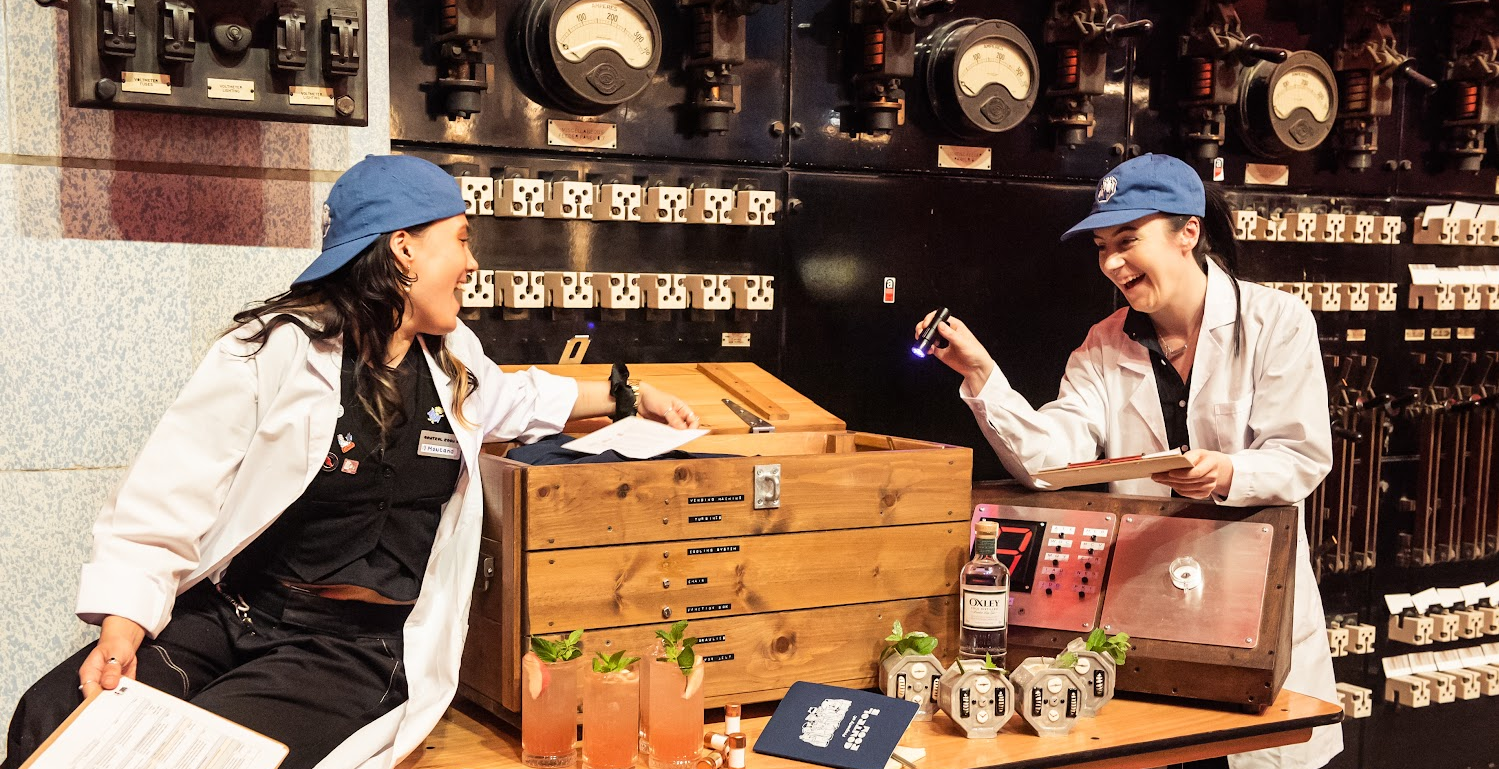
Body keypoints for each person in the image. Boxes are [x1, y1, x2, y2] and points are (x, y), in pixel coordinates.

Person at [3, 154, 699, 769]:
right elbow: (171, 485)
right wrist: (124, 625)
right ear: (403, 249)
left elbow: (521, 399)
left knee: (209, 752)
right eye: (461, 239)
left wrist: (626, 395)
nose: (472, 263)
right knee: (52, 714)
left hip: (351, 648)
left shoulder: (454, 362)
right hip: (237, 611)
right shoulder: (277, 348)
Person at [915, 153, 1339, 769]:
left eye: (1128, 240)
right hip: (1145, 610)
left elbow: (1301, 455)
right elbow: (1049, 460)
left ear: (1188, 232)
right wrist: (983, 376)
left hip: (1253, 606)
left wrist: (1226, 472)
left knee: (1252, 751)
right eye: (1101, 247)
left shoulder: (1275, 322)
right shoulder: (1103, 343)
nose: (1112, 263)